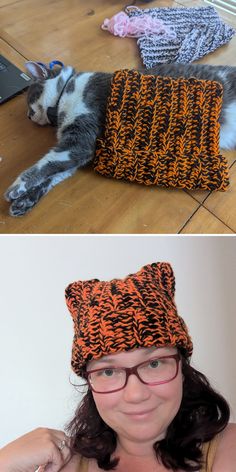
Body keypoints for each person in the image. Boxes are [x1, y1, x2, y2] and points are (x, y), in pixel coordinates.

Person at [0, 262, 235, 472]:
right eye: (109, 371)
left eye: (153, 364)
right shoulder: (62, 465)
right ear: (89, 382)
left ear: (182, 369)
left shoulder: (229, 451)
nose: (136, 394)